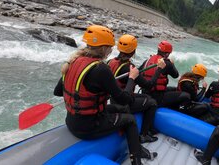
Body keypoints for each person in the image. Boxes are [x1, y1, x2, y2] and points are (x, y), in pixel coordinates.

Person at [53, 25, 155, 165]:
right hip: (89, 126)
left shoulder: (73, 62)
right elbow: (124, 98)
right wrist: (132, 78)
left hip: (71, 121)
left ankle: (137, 147)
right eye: (110, 47)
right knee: (130, 120)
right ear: (105, 48)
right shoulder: (101, 69)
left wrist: (94, 94)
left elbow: (58, 92)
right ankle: (137, 162)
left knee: (122, 110)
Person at [107, 34, 166, 143]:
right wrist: (159, 69)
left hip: (114, 100)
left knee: (146, 96)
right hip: (124, 103)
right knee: (152, 102)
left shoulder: (110, 62)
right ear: (133, 51)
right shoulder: (129, 68)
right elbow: (149, 85)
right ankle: (144, 134)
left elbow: (135, 73)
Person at [141, 41, 190, 109]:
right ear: (167, 54)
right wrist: (172, 64)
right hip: (157, 98)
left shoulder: (147, 60)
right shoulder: (166, 63)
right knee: (186, 95)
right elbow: (175, 75)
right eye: (169, 53)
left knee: (175, 89)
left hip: (145, 93)